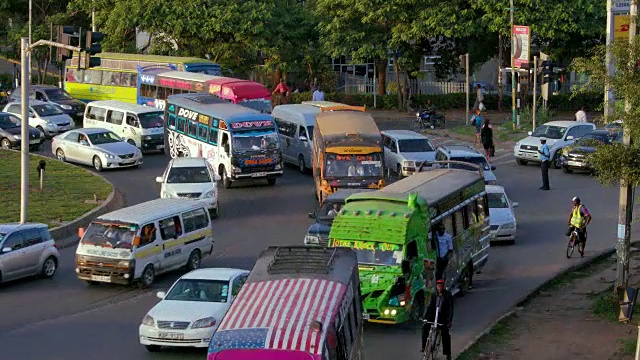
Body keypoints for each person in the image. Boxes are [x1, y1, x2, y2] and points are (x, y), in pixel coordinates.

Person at [421, 279, 454, 360]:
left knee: (445, 334)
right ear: (436, 286)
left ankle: (448, 353)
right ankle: (424, 346)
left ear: (443, 287)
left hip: (442, 317)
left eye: (441, 286)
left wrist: (449, 320)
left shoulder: (448, 295)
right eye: (438, 286)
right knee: (425, 327)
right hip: (433, 315)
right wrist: (425, 317)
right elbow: (429, 306)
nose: (439, 287)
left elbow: (450, 308)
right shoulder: (434, 295)